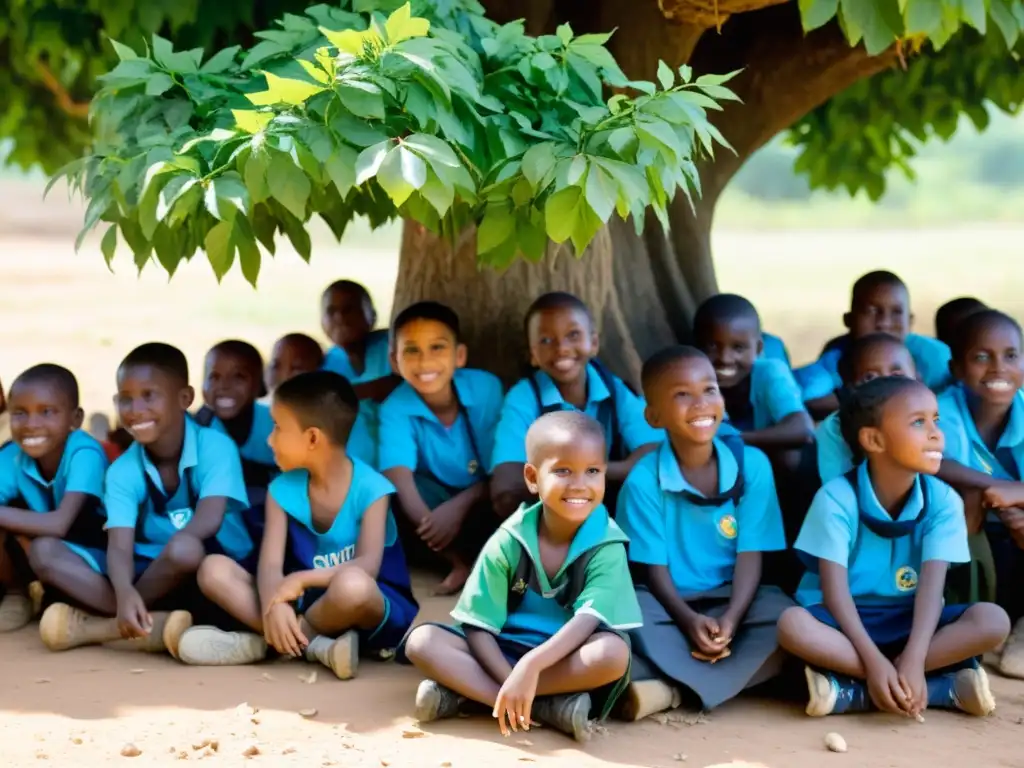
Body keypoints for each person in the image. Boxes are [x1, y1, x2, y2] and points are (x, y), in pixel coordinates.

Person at [777, 376, 1008, 718]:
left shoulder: (942, 499)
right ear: (873, 439)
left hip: (910, 619)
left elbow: (932, 592)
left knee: (993, 620)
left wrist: (914, 659)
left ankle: (855, 692)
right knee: (791, 625)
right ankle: (938, 689)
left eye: (936, 420)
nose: (935, 434)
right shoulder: (836, 498)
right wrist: (873, 662)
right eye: (918, 422)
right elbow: (835, 594)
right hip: (844, 620)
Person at [402, 411, 640, 742]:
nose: (579, 485)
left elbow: (588, 619)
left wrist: (531, 667)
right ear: (531, 477)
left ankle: (467, 696)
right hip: (500, 650)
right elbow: (478, 624)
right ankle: (545, 709)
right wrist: (510, 676)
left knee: (612, 655)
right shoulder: (511, 537)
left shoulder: (607, 542)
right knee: (422, 642)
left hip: (564, 659)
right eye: (562, 471)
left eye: (593, 471)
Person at [175, 371, 418, 677]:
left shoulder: (373, 489)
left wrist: (302, 579)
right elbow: (270, 566)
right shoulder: (281, 489)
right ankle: (315, 646)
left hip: (362, 603)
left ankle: (269, 643)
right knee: (212, 569)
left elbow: (367, 566)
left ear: (313, 437)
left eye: (278, 427)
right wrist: (273, 606)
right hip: (298, 601)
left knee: (353, 587)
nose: (269, 438)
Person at [38, 343, 252, 656]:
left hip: (215, 573)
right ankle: (137, 616)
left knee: (185, 548)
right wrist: (124, 592)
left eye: (148, 395)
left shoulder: (215, 447)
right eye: (125, 398)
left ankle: (108, 627)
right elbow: (120, 544)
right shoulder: (124, 469)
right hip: (152, 576)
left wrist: (132, 589)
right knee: (45, 552)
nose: (134, 409)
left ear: (185, 399)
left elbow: (208, 520)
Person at [616, 347, 793, 719]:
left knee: (792, 623)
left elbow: (750, 555)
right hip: (667, 605)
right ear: (653, 415)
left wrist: (731, 617)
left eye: (709, 389)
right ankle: (726, 683)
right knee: (621, 619)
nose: (700, 403)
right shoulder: (643, 480)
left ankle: (670, 690)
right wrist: (687, 619)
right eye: (682, 394)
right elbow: (655, 572)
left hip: (735, 598)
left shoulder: (752, 465)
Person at [490, 292, 662, 519]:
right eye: (546, 340)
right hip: (549, 518)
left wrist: (581, 473)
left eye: (573, 335)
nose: (561, 348)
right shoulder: (525, 397)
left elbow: (655, 455)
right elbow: (505, 489)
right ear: (533, 355)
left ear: (593, 343)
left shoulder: (612, 387)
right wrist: (591, 476)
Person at [379, 302, 504, 595]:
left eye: (437, 347)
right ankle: (460, 565)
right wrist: (437, 530)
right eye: (411, 350)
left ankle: (502, 567)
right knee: (386, 501)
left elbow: (502, 472)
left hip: (485, 500)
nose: (424, 362)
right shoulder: (395, 408)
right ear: (395, 361)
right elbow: (401, 482)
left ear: (459, 355)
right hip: (428, 510)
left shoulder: (485, 389)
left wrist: (459, 506)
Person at [931, 310, 1024, 675]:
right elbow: (935, 463)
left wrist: (1017, 494)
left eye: (1011, 355)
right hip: (966, 541)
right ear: (956, 368)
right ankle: (969, 617)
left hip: (1013, 537)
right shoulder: (943, 409)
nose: (998, 368)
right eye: (981, 357)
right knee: (964, 498)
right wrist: (993, 487)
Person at [0, 365, 108, 633]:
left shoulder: (84, 452)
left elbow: (60, 524)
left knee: (44, 549)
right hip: (50, 557)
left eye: (46, 412)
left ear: (75, 419)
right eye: (20, 413)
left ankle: (117, 615)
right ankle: (17, 592)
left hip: (101, 557)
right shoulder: (11, 455)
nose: (31, 424)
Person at [798, 271, 952, 419]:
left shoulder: (934, 355)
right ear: (848, 320)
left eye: (896, 312)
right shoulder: (836, 359)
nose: (884, 323)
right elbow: (807, 402)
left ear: (910, 320)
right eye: (871, 311)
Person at [692, 294, 814, 452]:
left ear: (758, 349)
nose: (725, 359)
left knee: (788, 455)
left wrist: (735, 440)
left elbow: (802, 430)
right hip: (728, 467)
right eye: (712, 346)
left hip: (771, 464)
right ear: (696, 346)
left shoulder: (770, 372)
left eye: (738, 348)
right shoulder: (691, 380)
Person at [817, 334, 917, 484]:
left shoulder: (926, 420)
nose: (886, 384)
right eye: (870, 377)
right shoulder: (834, 428)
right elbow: (838, 488)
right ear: (850, 388)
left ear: (917, 381)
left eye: (897, 375)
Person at [320, 280, 400, 467]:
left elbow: (402, 385)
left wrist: (352, 393)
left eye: (349, 309)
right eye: (330, 311)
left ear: (372, 316)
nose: (339, 317)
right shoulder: (329, 362)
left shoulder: (391, 347)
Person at [196, 340, 277, 516]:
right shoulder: (199, 429)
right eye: (214, 377)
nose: (224, 386)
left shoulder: (276, 422)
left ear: (259, 385)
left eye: (238, 377)